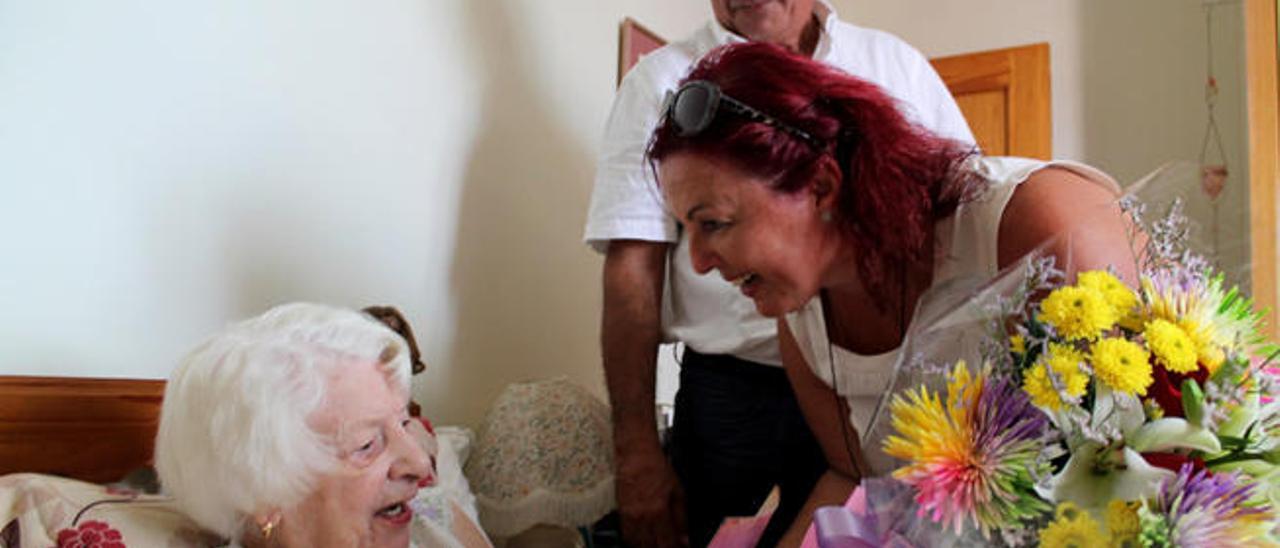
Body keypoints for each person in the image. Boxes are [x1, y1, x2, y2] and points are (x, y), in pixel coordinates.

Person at [646, 43, 1138, 546]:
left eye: (714, 223)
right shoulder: (801, 323)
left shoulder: (1034, 224)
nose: (699, 261)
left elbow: (1154, 449)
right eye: (688, 230)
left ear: (820, 184)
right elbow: (852, 478)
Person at [584, 2, 973, 546]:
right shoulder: (658, 82)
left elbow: (963, 212)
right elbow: (632, 272)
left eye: (715, 223)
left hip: (890, 383)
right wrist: (637, 454)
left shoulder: (894, 63)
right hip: (735, 403)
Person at [154, 303, 491, 548]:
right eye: (367, 444)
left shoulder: (431, 518)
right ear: (263, 497)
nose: (419, 464)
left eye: (404, 424)